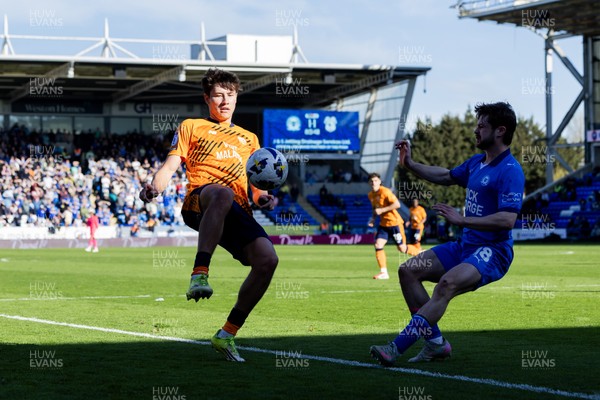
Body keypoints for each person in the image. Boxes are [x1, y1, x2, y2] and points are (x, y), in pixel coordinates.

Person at [139, 68, 278, 363]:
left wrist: (263, 197)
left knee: (267, 260)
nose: (225, 100)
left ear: (237, 98)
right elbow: (170, 165)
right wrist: (154, 188)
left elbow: (254, 185)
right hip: (201, 201)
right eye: (218, 95)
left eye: (231, 95)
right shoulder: (192, 126)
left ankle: (226, 334)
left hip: (237, 209)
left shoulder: (249, 139)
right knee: (222, 193)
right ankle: (199, 274)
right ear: (207, 98)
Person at [370, 102, 525, 365]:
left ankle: (396, 348)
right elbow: (444, 176)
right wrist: (410, 164)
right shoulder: (477, 163)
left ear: (500, 131)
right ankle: (436, 344)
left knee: (447, 284)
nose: (476, 130)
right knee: (408, 271)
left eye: (481, 125)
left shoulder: (511, 171)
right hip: (465, 246)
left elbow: (507, 219)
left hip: (493, 251)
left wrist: (463, 219)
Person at [367, 172, 408, 280]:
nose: (373, 183)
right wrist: (373, 218)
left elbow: (397, 204)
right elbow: (375, 209)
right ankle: (384, 272)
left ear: (380, 182)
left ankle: (420, 252)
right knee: (378, 244)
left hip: (395, 223)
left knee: (402, 248)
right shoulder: (370, 195)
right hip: (383, 224)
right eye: (371, 181)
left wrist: (382, 210)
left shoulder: (385, 192)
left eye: (375, 181)